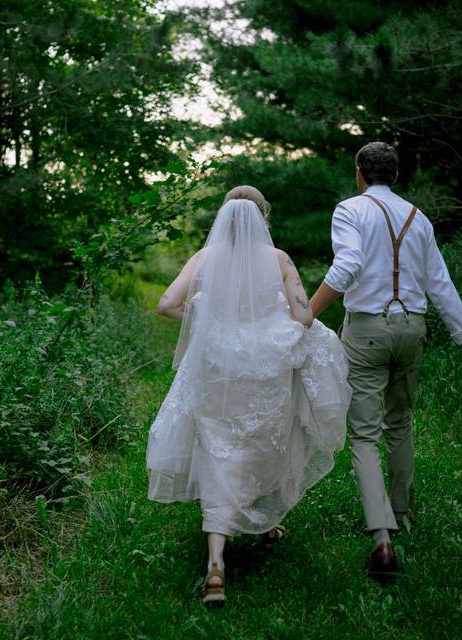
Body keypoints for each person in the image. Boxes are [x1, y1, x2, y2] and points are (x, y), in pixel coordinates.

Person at [149, 185, 351, 606]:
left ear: (224, 218)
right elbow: (304, 316)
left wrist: (205, 320)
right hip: (265, 371)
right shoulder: (278, 260)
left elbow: (167, 303)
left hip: (217, 368)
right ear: (263, 218)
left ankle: (216, 566)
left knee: (219, 451)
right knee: (262, 446)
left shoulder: (204, 259)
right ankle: (264, 522)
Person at [308, 142, 462, 583]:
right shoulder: (418, 218)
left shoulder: (349, 210)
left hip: (367, 329)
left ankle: (382, 539)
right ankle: (402, 513)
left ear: (359, 173)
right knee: (401, 422)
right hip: (413, 329)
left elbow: (347, 263)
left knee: (365, 435)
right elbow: (440, 284)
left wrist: (307, 312)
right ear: (396, 175)